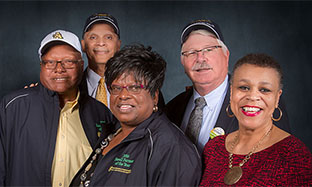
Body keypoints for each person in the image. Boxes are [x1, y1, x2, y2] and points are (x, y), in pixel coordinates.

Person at [0, 30, 116, 186]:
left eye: (68, 61)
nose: (59, 68)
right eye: (50, 62)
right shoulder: (12, 107)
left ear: (81, 64)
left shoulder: (100, 113)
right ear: (41, 66)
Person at [71, 44, 201, 186]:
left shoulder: (172, 148)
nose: (123, 95)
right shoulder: (111, 132)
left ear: (154, 95)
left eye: (134, 88)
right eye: (116, 88)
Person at [164, 19, 291, 152]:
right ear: (183, 62)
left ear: (226, 55)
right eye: (191, 52)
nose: (200, 58)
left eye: (209, 49)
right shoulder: (172, 109)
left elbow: (282, 157)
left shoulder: (260, 102)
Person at [200, 53, 312, 186]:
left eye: (264, 90)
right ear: (231, 92)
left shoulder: (294, 156)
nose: (252, 96)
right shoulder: (213, 148)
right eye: (244, 87)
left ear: (277, 98)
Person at [79, 13, 165, 108]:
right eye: (93, 37)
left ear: (118, 45)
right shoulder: (71, 89)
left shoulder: (145, 87)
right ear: (83, 45)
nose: (101, 43)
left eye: (108, 37)